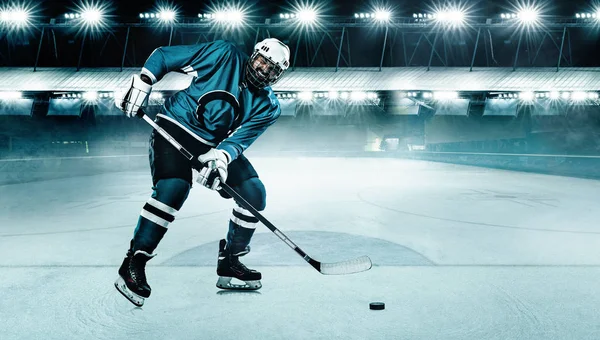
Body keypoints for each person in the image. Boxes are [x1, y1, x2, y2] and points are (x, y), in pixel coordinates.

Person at [113, 38, 291, 307]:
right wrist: (144, 81)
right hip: (175, 127)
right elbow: (163, 56)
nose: (264, 71)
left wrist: (221, 158)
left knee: (254, 193)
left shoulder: (269, 106)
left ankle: (230, 260)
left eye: (272, 70)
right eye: (262, 63)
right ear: (253, 55)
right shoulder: (223, 54)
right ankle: (133, 261)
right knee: (174, 188)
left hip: (212, 146)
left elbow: (240, 140)